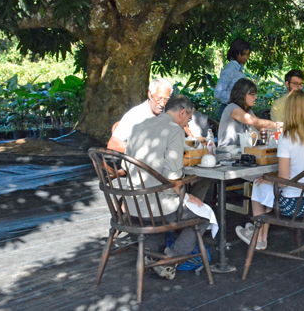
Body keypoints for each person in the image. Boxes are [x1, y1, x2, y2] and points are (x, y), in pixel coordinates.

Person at [123, 95, 207, 280]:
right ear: (183, 112)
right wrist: (186, 197)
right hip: (155, 207)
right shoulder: (174, 130)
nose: (187, 123)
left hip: (131, 205)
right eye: (188, 119)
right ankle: (171, 258)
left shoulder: (138, 127)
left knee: (159, 205)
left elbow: (124, 167)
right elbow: (174, 176)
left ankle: (151, 255)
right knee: (203, 214)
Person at [235, 91, 304, 250]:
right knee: (270, 188)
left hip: (293, 205)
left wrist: (268, 178)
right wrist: (271, 179)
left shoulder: (287, 136)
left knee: (259, 184)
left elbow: (283, 179)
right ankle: (260, 236)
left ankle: (259, 237)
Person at [107, 78, 173, 152]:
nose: (162, 103)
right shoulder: (135, 115)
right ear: (150, 94)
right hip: (139, 162)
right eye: (158, 98)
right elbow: (112, 144)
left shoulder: (167, 114)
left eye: (166, 99)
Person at [218, 78, 278, 149]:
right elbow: (256, 122)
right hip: (227, 152)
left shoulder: (248, 111)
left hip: (241, 151)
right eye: (252, 95)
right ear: (242, 94)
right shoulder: (232, 108)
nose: (255, 97)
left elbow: (261, 127)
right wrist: (278, 125)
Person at [213, 39, 251, 119]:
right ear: (236, 53)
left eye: (248, 55)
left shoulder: (238, 68)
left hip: (237, 110)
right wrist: (234, 98)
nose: (246, 57)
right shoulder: (230, 68)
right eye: (243, 54)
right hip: (229, 110)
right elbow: (218, 92)